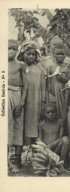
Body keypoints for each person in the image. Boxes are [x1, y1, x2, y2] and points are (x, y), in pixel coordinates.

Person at [17, 41, 46, 145]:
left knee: (32, 124)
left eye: (33, 54)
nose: (31, 57)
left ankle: (30, 150)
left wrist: (43, 102)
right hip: (20, 100)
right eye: (28, 54)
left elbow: (43, 87)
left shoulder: (40, 70)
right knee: (20, 124)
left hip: (34, 101)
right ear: (22, 54)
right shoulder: (19, 67)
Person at [8, 40, 27, 173]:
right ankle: (6, 161)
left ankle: (17, 161)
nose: (11, 51)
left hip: (17, 94)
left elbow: (25, 86)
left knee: (18, 126)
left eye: (14, 49)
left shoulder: (21, 65)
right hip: (4, 94)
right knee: (5, 127)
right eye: (8, 48)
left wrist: (21, 103)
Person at [41, 43, 69, 119]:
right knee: (53, 116)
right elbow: (46, 84)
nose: (60, 56)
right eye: (58, 54)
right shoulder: (50, 68)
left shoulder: (68, 67)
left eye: (62, 54)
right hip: (52, 96)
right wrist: (46, 98)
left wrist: (64, 79)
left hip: (64, 96)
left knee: (63, 117)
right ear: (53, 54)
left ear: (65, 54)